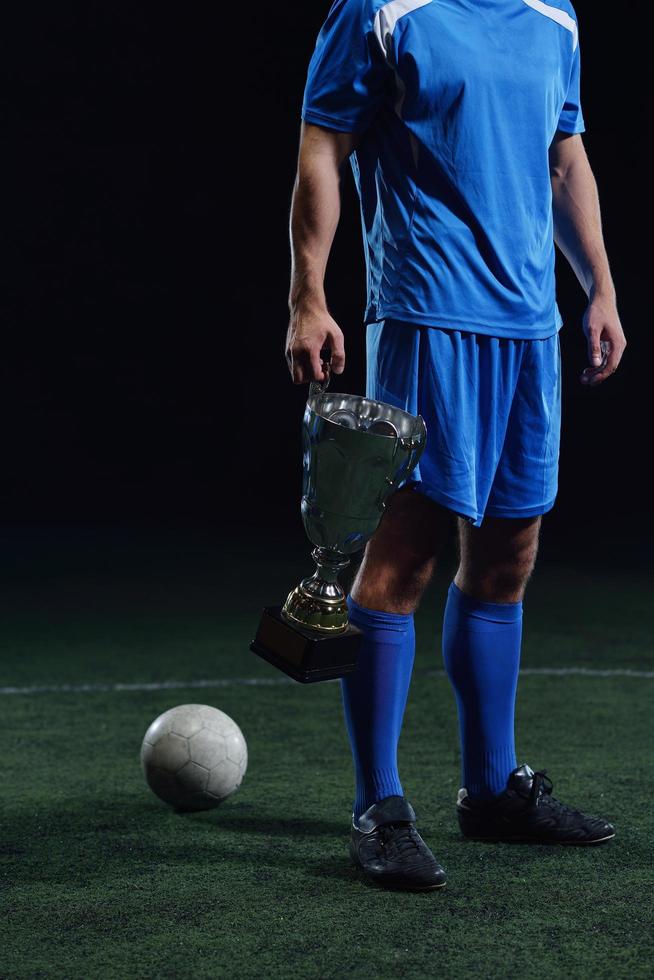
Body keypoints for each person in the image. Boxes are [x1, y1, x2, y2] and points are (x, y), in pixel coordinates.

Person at [285, 0, 626, 892]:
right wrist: (308, 296)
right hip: (427, 313)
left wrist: (600, 288)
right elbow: (324, 144)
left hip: (530, 324)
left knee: (509, 557)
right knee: (400, 562)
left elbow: (564, 159)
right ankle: (379, 805)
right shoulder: (384, 9)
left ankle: (491, 790)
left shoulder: (555, 16)